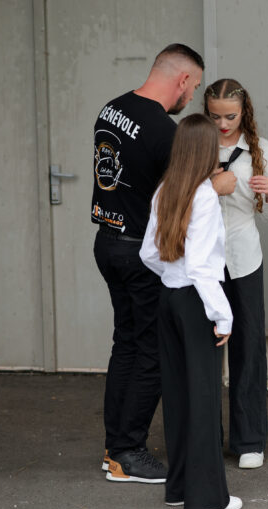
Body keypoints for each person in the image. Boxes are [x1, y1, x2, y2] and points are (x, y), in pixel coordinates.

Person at [92, 43, 226, 483]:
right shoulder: (162, 131)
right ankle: (128, 451)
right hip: (138, 252)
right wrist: (218, 185)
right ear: (183, 80)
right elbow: (184, 194)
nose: (192, 96)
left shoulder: (111, 109)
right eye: (195, 86)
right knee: (151, 350)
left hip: (107, 240)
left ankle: (114, 448)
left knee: (126, 342)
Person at [139, 113, 241, 509]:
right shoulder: (204, 196)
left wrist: (173, 276)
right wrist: (223, 314)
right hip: (196, 303)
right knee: (203, 398)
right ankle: (206, 499)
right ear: (205, 152)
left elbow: (148, 253)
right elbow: (201, 266)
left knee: (179, 396)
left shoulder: (166, 189)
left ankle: (179, 488)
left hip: (169, 298)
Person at [204, 78, 268, 469]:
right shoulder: (195, 144)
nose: (222, 124)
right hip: (202, 261)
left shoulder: (261, 148)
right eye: (215, 116)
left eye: (230, 117)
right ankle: (205, 439)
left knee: (249, 347)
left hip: (244, 257)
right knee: (204, 350)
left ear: (243, 113)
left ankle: (249, 440)